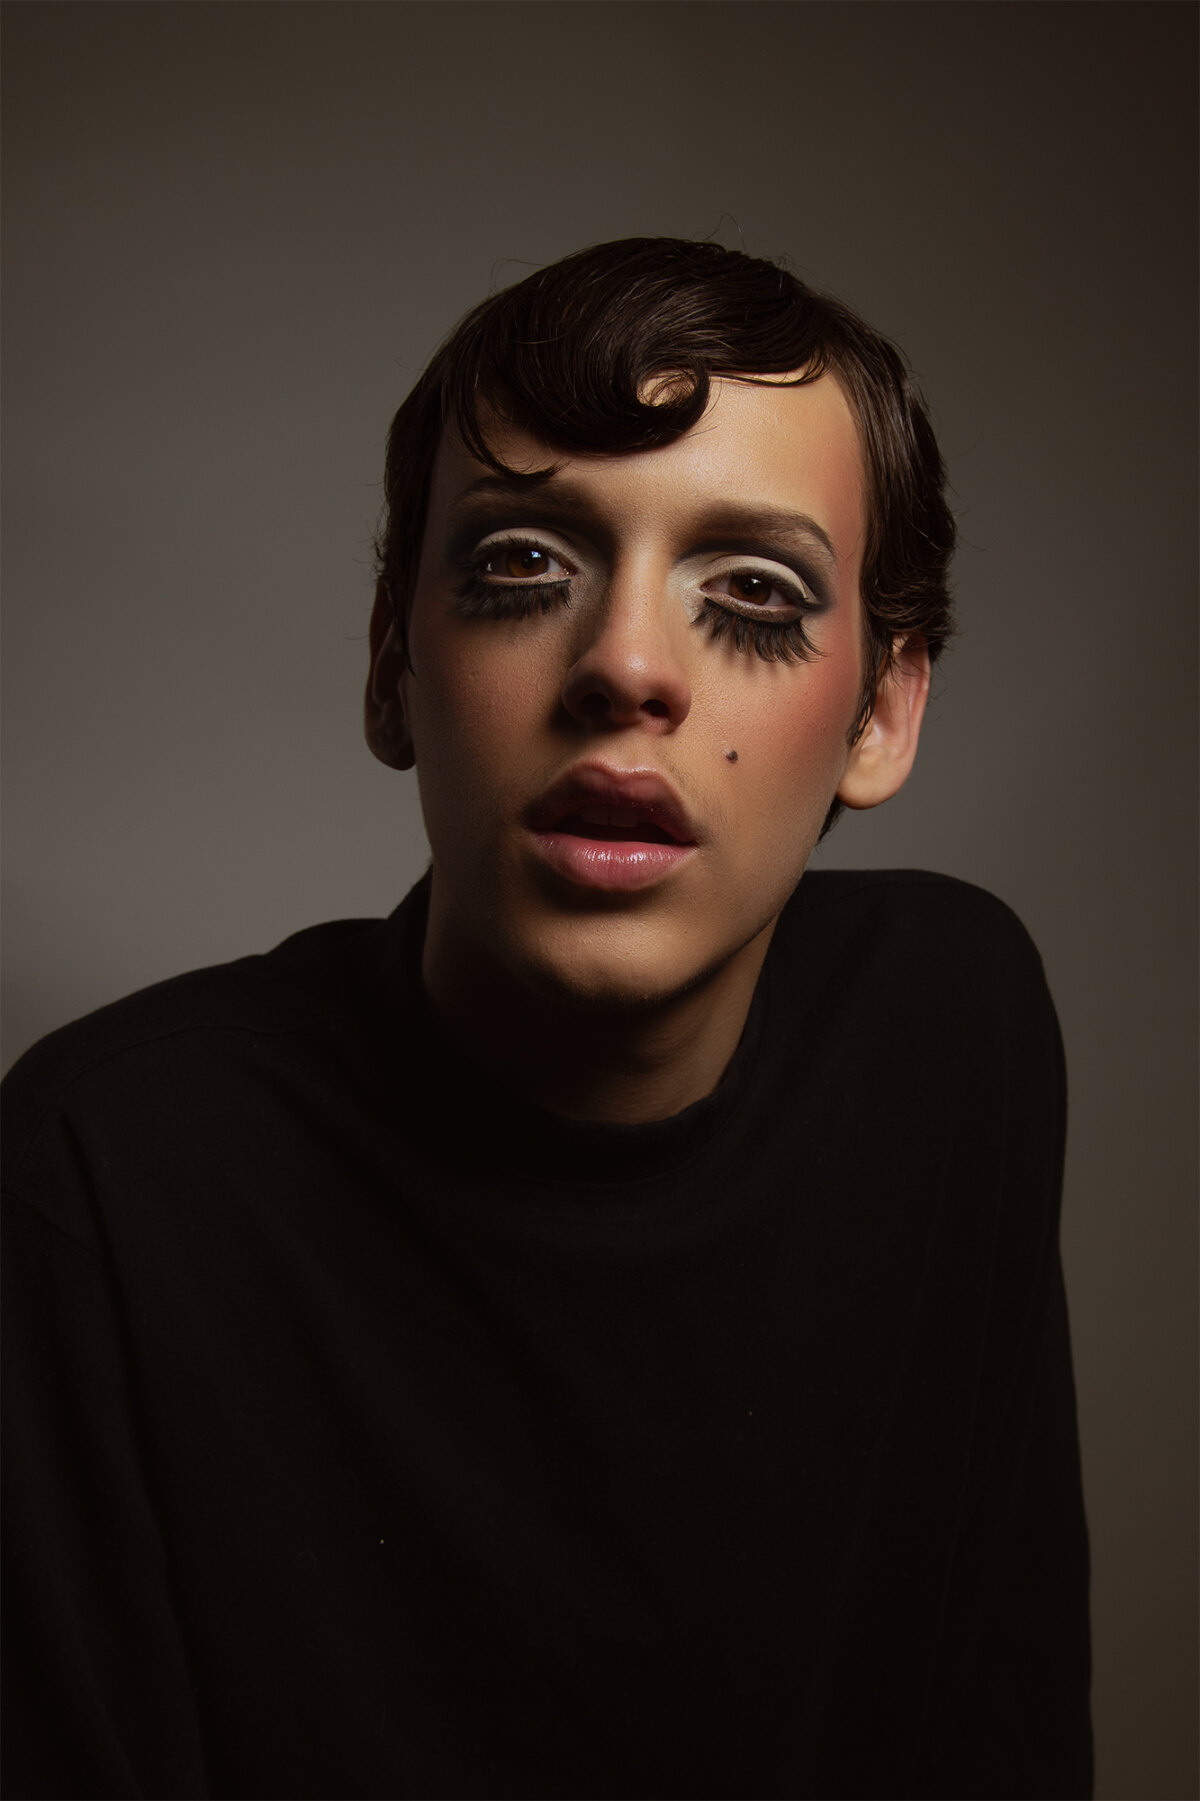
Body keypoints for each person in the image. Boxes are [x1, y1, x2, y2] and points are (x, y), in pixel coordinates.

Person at [2, 238, 1092, 1799]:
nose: (627, 667)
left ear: (883, 710)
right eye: (524, 564)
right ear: (393, 662)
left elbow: (1007, 1723)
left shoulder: (955, 1032)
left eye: (755, 591)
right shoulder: (100, 1181)